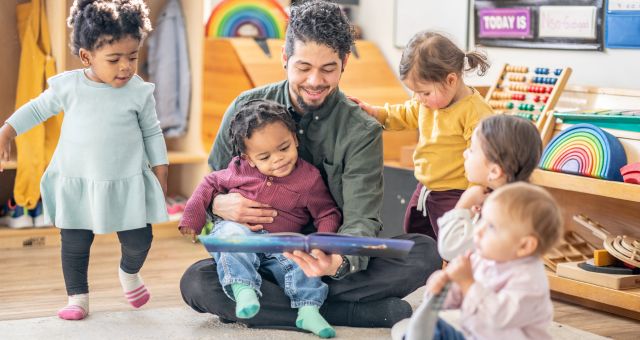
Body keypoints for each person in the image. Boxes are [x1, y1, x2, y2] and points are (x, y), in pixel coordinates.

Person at [180, 0, 441, 329]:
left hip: (329, 258)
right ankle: (346, 312)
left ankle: (289, 304)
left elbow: (362, 219)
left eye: (328, 68)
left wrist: (336, 262)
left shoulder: (362, 129)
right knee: (196, 282)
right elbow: (211, 184)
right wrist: (219, 204)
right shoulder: (244, 108)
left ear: (345, 62)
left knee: (423, 252)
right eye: (303, 67)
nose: (315, 80)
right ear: (285, 58)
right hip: (260, 258)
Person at [0, 0, 168, 320]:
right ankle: (78, 298)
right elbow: (36, 109)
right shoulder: (69, 86)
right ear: (87, 56)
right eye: (114, 59)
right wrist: (7, 131)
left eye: (132, 56)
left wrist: (161, 172)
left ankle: (129, 273)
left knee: (140, 240)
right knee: (75, 245)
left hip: (126, 181)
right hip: (77, 180)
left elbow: (152, 133)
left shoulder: (138, 91)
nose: (125, 67)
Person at [179, 100, 340, 338]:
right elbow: (210, 182)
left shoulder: (309, 178)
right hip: (241, 237)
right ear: (250, 158)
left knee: (305, 263)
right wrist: (192, 218)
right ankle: (243, 289)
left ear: (295, 139)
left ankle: (308, 309)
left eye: (284, 148)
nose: (278, 160)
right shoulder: (240, 169)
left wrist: (321, 243)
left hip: (281, 244)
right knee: (231, 236)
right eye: (265, 157)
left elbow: (327, 212)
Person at [351, 31, 493, 239]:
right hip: (426, 189)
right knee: (415, 235)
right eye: (414, 92)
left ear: (451, 80)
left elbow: (484, 160)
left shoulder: (475, 113)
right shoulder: (426, 104)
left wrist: (472, 200)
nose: (418, 99)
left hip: (456, 195)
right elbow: (404, 114)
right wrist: (376, 113)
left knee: (453, 246)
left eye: (424, 93)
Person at [422, 182, 563, 339]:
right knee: (430, 327)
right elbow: (458, 299)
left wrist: (468, 283)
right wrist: (443, 287)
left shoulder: (530, 280)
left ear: (524, 245)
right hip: (474, 334)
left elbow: (497, 317)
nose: (479, 230)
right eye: (482, 221)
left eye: (491, 227)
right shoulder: (482, 258)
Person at [438, 114, 543, 261]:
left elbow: (449, 249)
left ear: (494, 171)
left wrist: (464, 204)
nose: (465, 153)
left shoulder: (502, 211)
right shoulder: (516, 200)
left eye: (472, 150)